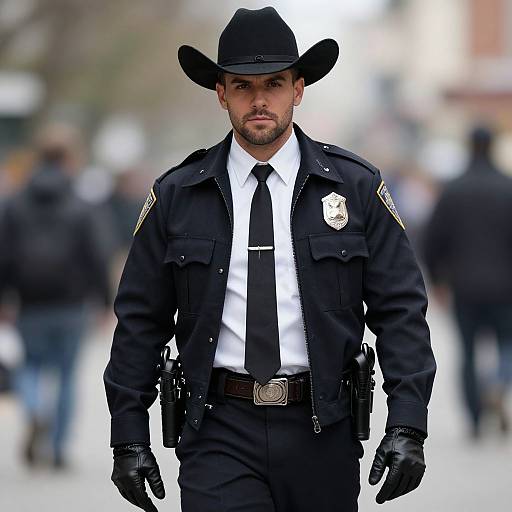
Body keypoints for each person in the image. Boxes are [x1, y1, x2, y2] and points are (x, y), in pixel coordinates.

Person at [104, 7, 436, 511]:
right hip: (217, 429)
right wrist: (128, 435)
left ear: (298, 89)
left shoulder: (356, 187)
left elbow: (401, 312)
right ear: (221, 93)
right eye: (242, 86)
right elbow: (139, 321)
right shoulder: (176, 195)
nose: (259, 100)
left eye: (274, 84)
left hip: (322, 429)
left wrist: (408, 422)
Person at [0, 124, 111, 468]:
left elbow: (3, 253)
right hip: (71, 303)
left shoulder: (15, 203)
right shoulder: (81, 204)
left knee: (30, 365)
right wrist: (105, 301)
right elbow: (97, 255)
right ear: (69, 159)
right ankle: (59, 448)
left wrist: (4, 297)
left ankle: (34, 409)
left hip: (30, 302)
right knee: (66, 375)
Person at [423, 124, 512, 438]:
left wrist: (436, 281)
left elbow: (432, 240)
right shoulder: (507, 187)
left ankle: (475, 420)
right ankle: (499, 383)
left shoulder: (453, 190)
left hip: (464, 286)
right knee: (507, 345)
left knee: (468, 353)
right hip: (505, 287)